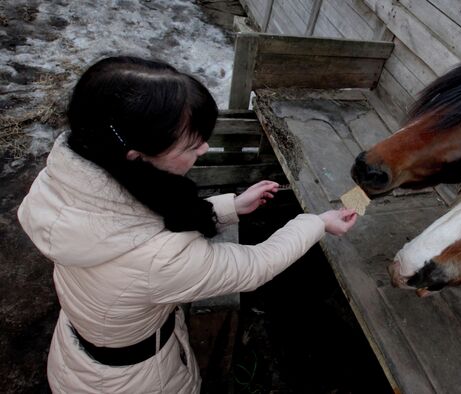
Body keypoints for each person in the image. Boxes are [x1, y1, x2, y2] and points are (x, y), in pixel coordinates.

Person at [17, 56, 357, 393]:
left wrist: (230, 207)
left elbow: (137, 224)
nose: (205, 148)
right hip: (136, 382)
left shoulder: (67, 179)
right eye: (191, 145)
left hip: (80, 350)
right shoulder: (158, 260)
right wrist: (316, 222)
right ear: (137, 156)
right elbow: (255, 265)